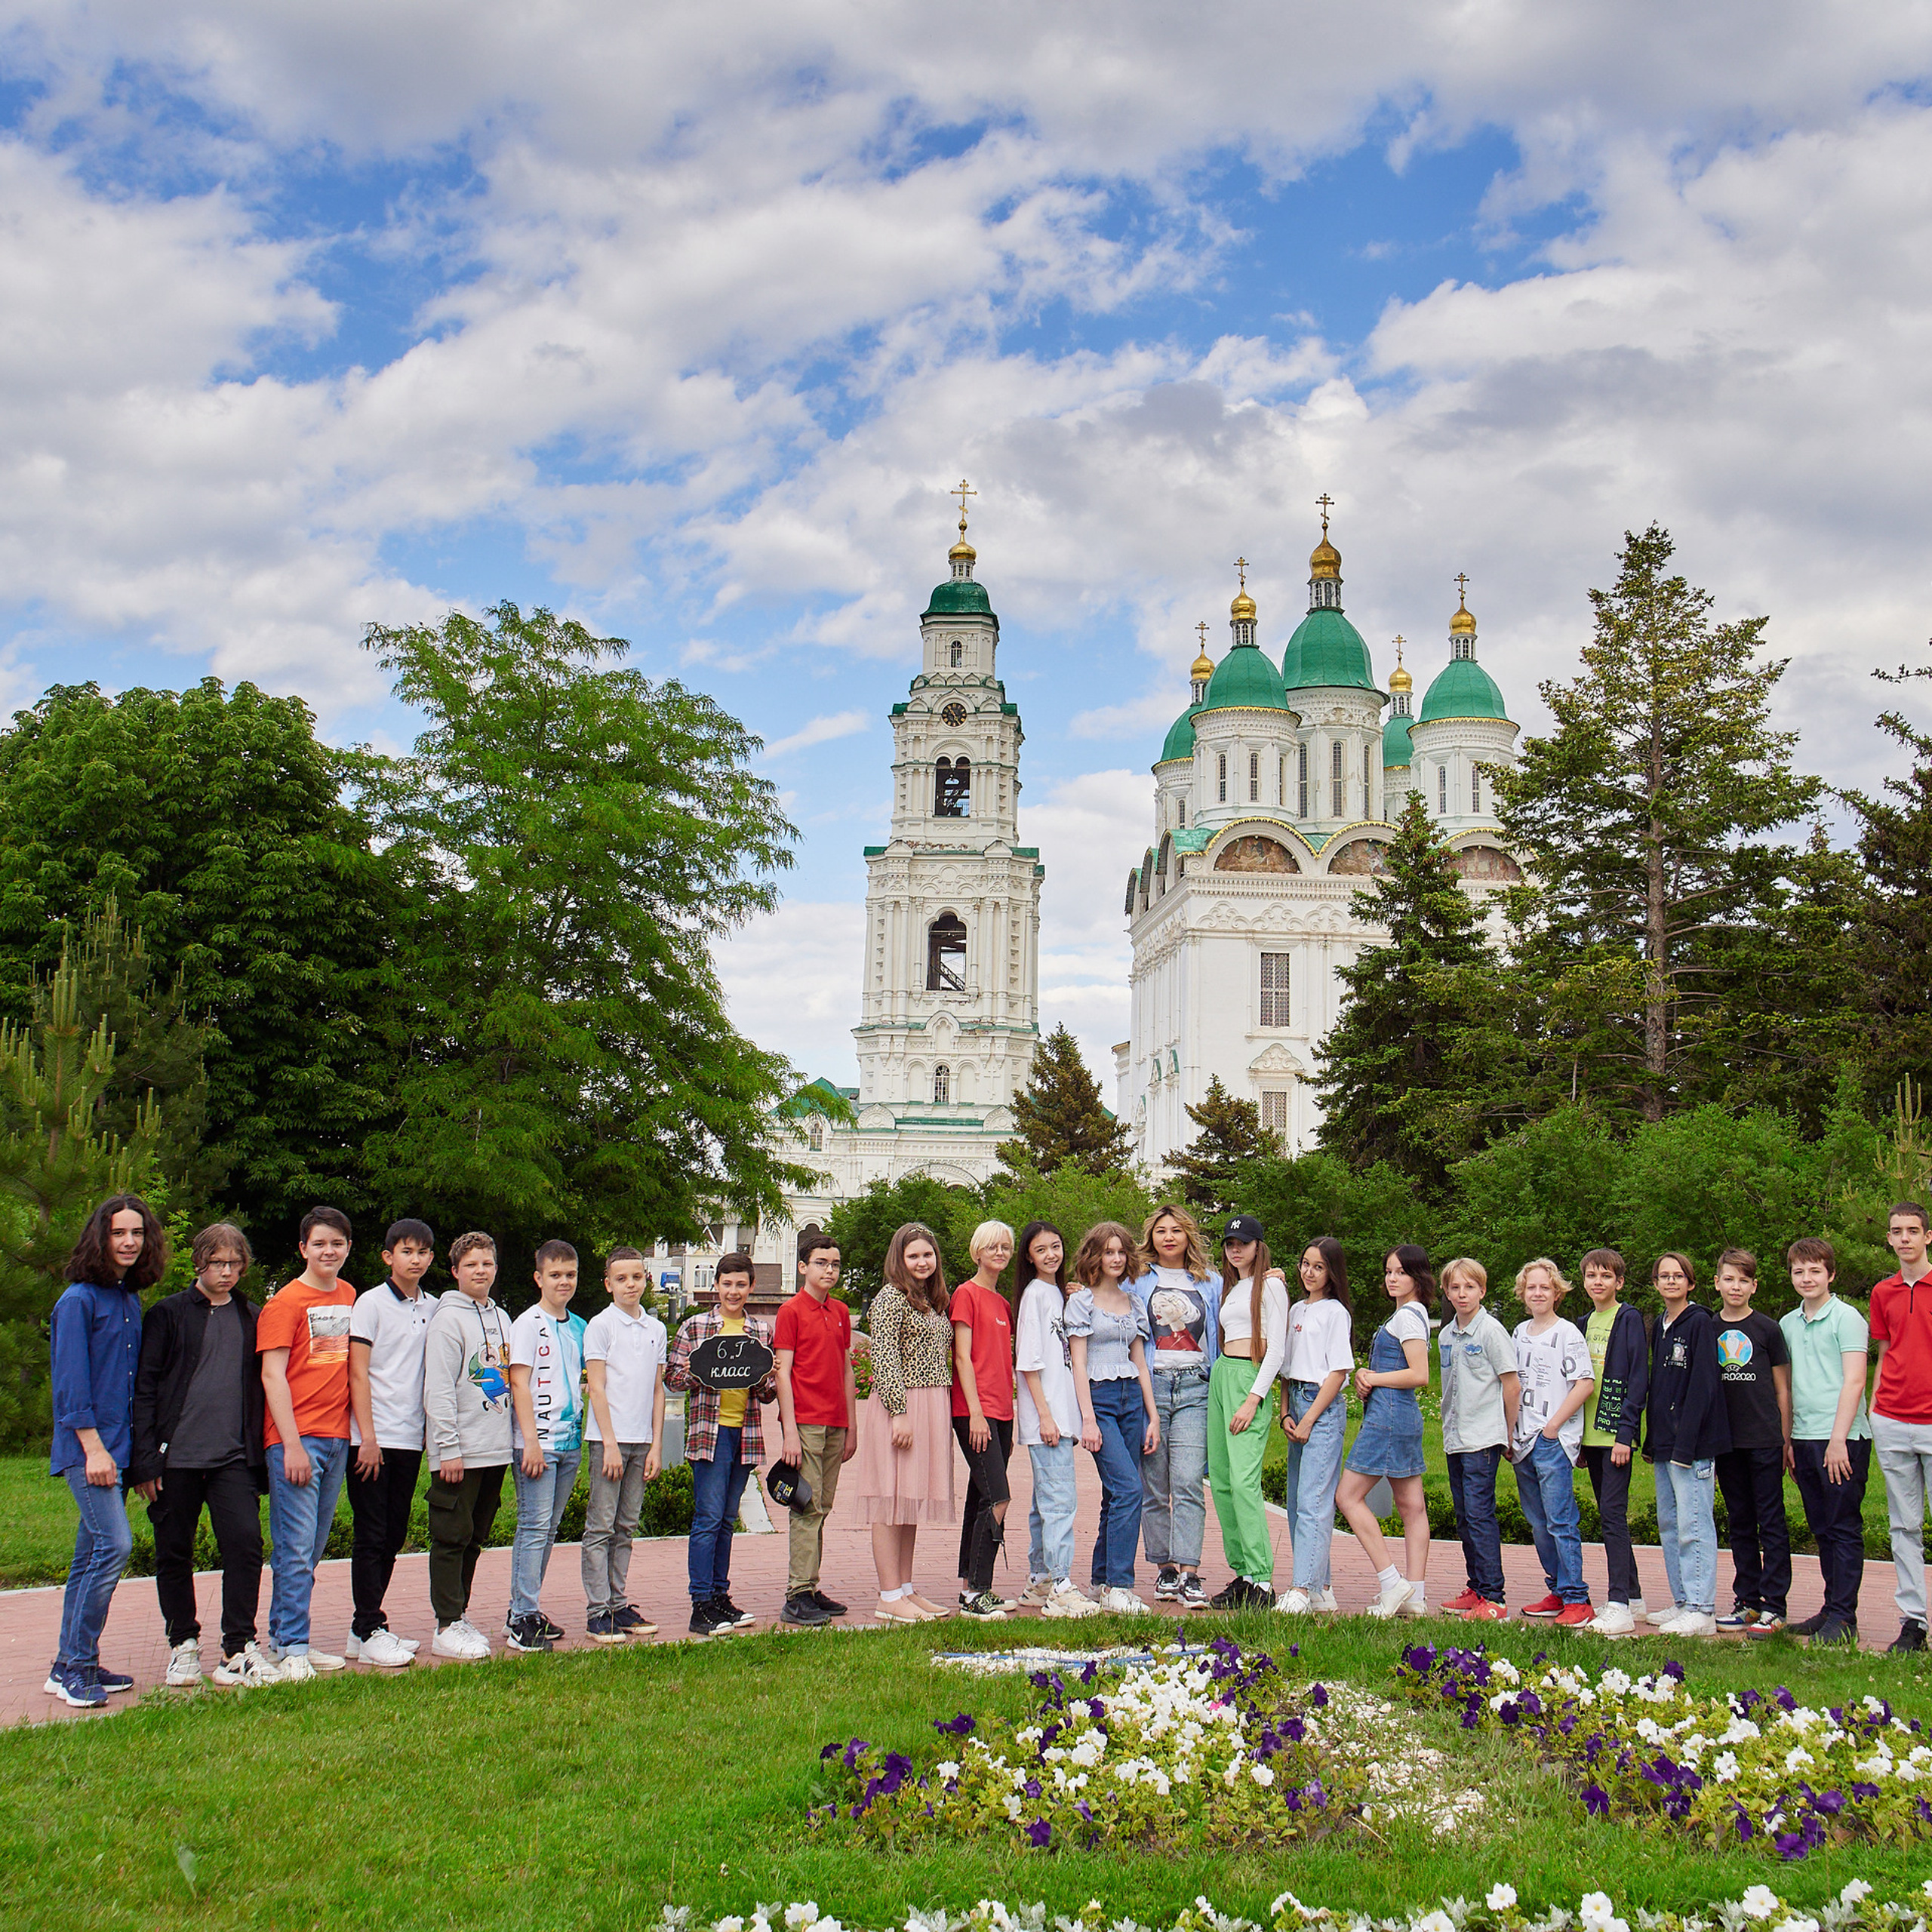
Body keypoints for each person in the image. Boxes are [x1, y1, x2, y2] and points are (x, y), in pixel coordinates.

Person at [130, 1222, 277, 1690]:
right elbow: (145, 1389)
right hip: (174, 1461)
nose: (228, 1272)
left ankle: (238, 1647)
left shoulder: (252, 1315)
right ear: (199, 1262)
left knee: (245, 1545)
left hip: (232, 1458)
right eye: (219, 1263)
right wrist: (146, 1459)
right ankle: (183, 1645)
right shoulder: (169, 1314)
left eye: (236, 1264)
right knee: (174, 1552)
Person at [46, 1195, 165, 1709]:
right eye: (119, 1233)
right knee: (114, 1547)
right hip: (88, 1451)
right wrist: (94, 1450)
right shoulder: (78, 1301)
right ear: (101, 1237)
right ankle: (75, 1664)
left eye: (137, 1233)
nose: (129, 1242)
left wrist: (133, 1457)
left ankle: (72, 1661)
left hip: (118, 1450)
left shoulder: (127, 1298)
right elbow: (71, 1387)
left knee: (88, 1556)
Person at [257, 1206, 358, 1681]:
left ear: (348, 1248)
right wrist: (290, 1445)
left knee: (313, 1547)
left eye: (337, 1244)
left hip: (337, 1438)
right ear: (303, 1249)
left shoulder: (348, 1295)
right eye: (319, 1244)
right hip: (296, 1442)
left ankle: (285, 1639)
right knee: (294, 1548)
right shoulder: (285, 1304)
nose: (328, 1251)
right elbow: (272, 1375)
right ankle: (291, 1644)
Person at [668, 1252, 780, 1637]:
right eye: (727, 1284)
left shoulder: (761, 1332)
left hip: (744, 1434)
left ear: (751, 1287)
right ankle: (701, 1603)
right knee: (708, 1518)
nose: (734, 1291)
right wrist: (700, 1372)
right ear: (716, 1285)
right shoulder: (696, 1327)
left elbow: (765, 1395)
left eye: (741, 1285)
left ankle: (720, 1595)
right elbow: (674, 1378)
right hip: (708, 1432)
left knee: (728, 1521)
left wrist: (771, 1377)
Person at [852, 1224, 959, 1622]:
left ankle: (906, 1588)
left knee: (910, 1499)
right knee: (889, 1497)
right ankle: (888, 1594)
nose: (921, 1262)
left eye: (927, 1255)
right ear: (900, 1259)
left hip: (932, 1401)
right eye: (913, 1256)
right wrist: (899, 1412)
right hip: (903, 1405)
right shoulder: (889, 1300)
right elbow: (884, 1358)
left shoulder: (931, 1302)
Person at [345, 1217, 438, 1669]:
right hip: (371, 1438)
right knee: (372, 1534)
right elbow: (358, 1372)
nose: (414, 1259)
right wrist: (367, 1438)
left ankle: (364, 1627)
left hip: (410, 1437)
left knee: (394, 1535)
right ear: (388, 1257)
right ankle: (368, 1626)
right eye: (406, 1251)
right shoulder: (371, 1304)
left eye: (422, 1252)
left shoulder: (435, 1307)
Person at [422, 1231, 515, 1661]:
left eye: (488, 1263)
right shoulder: (448, 1319)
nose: (481, 1271)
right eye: (472, 1264)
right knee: (451, 1536)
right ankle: (445, 1624)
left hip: (495, 1449)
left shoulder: (502, 1318)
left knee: (475, 1536)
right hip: (459, 1452)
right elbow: (439, 1389)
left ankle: (460, 1614)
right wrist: (447, 1449)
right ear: (456, 1271)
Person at [1780, 1237, 1872, 1645]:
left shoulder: (1847, 1318)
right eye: (1799, 1271)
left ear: (1830, 1274)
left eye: (1815, 1270)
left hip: (1842, 1439)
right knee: (1821, 1528)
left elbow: (1855, 1380)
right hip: (1803, 1437)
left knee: (1843, 1527)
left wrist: (1838, 1439)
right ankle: (1830, 1608)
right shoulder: (1786, 1323)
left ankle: (1844, 1616)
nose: (1807, 1278)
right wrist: (1788, 1441)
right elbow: (1787, 1389)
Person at [1067, 1220, 1160, 1614]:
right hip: (1100, 1400)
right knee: (1129, 1490)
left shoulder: (1134, 1303)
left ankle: (1103, 1582)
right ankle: (1121, 1586)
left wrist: (1152, 1417)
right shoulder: (1081, 1303)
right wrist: (1087, 1418)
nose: (1117, 1258)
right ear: (1095, 1256)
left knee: (1115, 1495)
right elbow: (1078, 1361)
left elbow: (1140, 1361)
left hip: (1132, 1402)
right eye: (1108, 1252)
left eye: (1121, 1251)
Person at [1338, 1244, 1434, 1617]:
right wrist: (1369, 1378)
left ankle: (1392, 1582)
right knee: (1413, 1507)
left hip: (1389, 1418)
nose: (1393, 1279)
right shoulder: (1413, 1314)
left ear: (1418, 1277)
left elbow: (1419, 1374)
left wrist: (1372, 1377)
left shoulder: (1409, 1317)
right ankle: (1417, 1595)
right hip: (1403, 1416)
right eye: (1389, 1272)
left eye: (1401, 1273)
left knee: (1347, 1497)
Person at [1133, 1203, 1217, 1610]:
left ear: (1188, 1236)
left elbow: (1237, 1310)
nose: (1169, 1237)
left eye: (1176, 1230)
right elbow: (1107, 1300)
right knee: (1154, 1483)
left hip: (1194, 1387)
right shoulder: (1138, 1281)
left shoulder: (1209, 1282)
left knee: (1187, 1482)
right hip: (1152, 1387)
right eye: (1161, 1230)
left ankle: (1189, 1571)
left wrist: (1270, 1277)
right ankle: (1164, 1567)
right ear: (1151, 1237)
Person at [505, 1239, 588, 1653]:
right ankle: (522, 1617)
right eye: (555, 1275)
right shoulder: (526, 1323)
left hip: (570, 1442)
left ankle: (524, 1606)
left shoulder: (579, 1326)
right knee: (533, 1527)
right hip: (537, 1444)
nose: (564, 1282)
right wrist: (531, 1443)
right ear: (539, 1278)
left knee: (549, 1529)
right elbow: (518, 1381)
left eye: (570, 1274)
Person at [581, 1245, 666, 1642]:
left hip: (641, 1441)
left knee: (626, 1526)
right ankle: (597, 1611)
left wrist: (655, 1446)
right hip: (608, 1443)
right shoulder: (601, 1325)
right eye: (621, 1279)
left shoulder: (656, 1329)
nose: (630, 1285)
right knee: (600, 1526)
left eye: (636, 1277)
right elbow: (596, 1388)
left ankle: (618, 1604)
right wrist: (610, 1444)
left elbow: (657, 1391)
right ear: (608, 1284)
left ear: (646, 1279)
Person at [1644, 1251, 1730, 1637]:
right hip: (1664, 1441)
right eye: (1664, 1276)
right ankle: (1681, 1602)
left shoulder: (1700, 1324)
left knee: (1694, 1523)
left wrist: (1687, 1443)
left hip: (1692, 1447)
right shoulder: (1660, 1325)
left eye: (1678, 1276)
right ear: (1657, 1283)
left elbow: (1703, 1386)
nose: (1671, 1281)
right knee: (1669, 1522)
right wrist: (1652, 1439)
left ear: (1691, 1283)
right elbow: (1659, 1389)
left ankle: (1702, 1608)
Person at [774, 1232, 857, 1629]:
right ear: (804, 1266)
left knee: (822, 1507)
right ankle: (796, 1593)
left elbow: (845, 1369)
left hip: (835, 1422)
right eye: (821, 1263)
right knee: (805, 1506)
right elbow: (784, 1375)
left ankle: (810, 1586)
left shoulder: (840, 1312)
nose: (829, 1270)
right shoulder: (791, 1311)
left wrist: (851, 1425)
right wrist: (789, 1430)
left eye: (835, 1264)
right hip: (805, 1422)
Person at [1205, 1214, 1287, 1609]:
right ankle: (1243, 1574)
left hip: (1248, 1378)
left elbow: (1277, 1350)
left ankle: (1263, 1581)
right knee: (1220, 1482)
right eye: (1229, 1243)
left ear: (1258, 1246)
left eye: (1243, 1242)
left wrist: (1254, 1398)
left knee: (1243, 1481)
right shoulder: (1232, 1288)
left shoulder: (1271, 1286)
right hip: (1223, 1373)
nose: (1235, 1249)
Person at [1711, 1248, 1793, 1636]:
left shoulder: (1767, 1329)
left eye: (1743, 1280)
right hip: (1727, 1443)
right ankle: (1747, 1600)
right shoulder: (1708, 1328)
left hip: (1764, 1439)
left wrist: (1785, 1438)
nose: (1736, 1286)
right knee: (1740, 1522)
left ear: (1754, 1286)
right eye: (1729, 1279)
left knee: (1770, 1521)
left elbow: (1782, 1389)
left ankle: (1774, 1606)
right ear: (1717, 1283)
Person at [1509, 1258, 1595, 1627]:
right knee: (1538, 1522)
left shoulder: (1567, 1334)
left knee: (1561, 1520)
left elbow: (1585, 1384)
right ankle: (1557, 1589)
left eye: (1545, 1287)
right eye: (1532, 1288)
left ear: (1557, 1292)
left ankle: (1578, 1597)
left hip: (1551, 1439)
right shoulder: (1518, 1333)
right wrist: (1509, 1431)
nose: (1538, 1293)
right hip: (1521, 1440)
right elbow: (1511, 1384)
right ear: (1523, 1294)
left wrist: (1553, 1429)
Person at [1012, 1220, 1091, 1617]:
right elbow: (1027, 1362)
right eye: (1041, 1249)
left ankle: (1040, 1580)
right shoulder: (1035, 1296)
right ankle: (1060, 1585)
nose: (1051, 1255)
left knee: (1046, 1499)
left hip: (1058, 1416)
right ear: (1029, 1256)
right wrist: (1045, 1416)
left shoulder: (1052, 1294)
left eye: (1056, 1247)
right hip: (1049, 1419)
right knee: (1061, 1500)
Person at [1434, 1256, 1518, 1623]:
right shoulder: (1446, 1335)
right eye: (1455, 1287)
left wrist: (1509, 1433)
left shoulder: (1491, 1331)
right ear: (1447, 1292)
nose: (1462, 1293)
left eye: (1470, 1287)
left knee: (1481, 1515)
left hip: (1483, 1438)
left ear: (1482, 1291)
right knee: (1464, 1516)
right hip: (1456, 1436)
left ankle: (1494, 1597)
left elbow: (1511, 1384)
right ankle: (1476, 1588)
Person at [1866, 1201, 1932, 1654]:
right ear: (1888, 1238)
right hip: (1891, 1420)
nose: (1905, 1238)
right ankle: (1915, 1623)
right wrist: (1875, 1408)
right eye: (1897, 1231)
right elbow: (1885, 1352)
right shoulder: (1883, 1292)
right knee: (1903, 1527)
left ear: (1928, 1236)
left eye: (1913, 1230)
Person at [1276, 1237, 1354, 1615]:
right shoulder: (1295, 1311)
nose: (1309, 1272)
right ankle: (1321, 1586)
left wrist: (1308, 1419)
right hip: (1297, 1404)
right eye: (1305, 1264)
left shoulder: (1335, 1312)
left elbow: (1338, 1372)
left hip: (1322, 1409)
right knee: (1295, 1503)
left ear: (1331, 1272)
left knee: (1314, 1503)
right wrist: (1285, 1411)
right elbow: (1287, 1370)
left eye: (1318, 1267)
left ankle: (1301, 1589)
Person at [1577, 1248, 1651, 1635]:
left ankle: (1618, 1603)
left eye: (1606, 1276)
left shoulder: (1629, 1319)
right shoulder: (1583, 1322)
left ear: (1619, 1282)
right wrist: (1579, 1442)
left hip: (1615, 1436)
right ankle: (1635, 1597)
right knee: (1609, 1515)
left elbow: (1638, 1378)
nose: (1598, 1282)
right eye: (1591, 1276)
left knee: (1613, 1517)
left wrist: (1626, 1434)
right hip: (1590, 1437)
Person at [951, 1221, 1019, 1620]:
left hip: (1002, 1412)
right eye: (992, 1246)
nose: (1000, 1252)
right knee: (999, 1497)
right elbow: (962, 1357)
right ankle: (979, 1590)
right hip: (974, 1413)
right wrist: (975, 1413)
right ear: (977, 1252)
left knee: (980, 1497)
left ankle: (971, 1587)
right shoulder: (966, 1294)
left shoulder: (1002, 1303)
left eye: (1006, 1246)